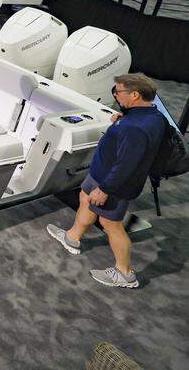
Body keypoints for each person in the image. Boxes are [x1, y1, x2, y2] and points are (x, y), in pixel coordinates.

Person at [47, 74, 168, 289]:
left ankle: (125, 273)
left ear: (135, 94)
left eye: (118, 91)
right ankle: (72, 237)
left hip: (112, 183)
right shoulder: (151, 116)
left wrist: (104, 189)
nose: (115, 95)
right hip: (101, 174)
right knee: (85, 198)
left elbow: (126, 165)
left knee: (110, 224)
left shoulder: (134, 128)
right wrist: (122, 120)